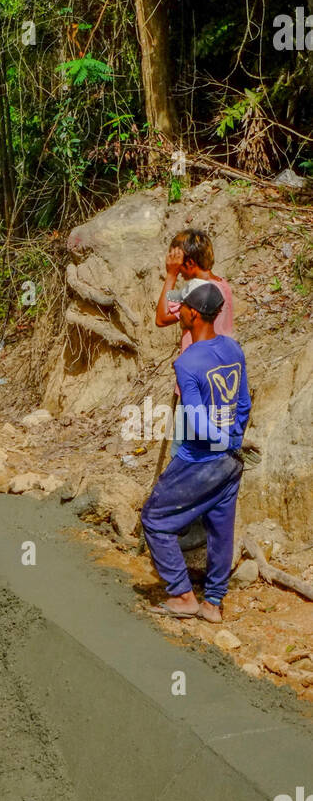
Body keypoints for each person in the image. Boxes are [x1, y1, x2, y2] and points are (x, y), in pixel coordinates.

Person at [141, 282, 251, 623]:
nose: (181, 312)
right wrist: (234, 441)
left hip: (200, 459)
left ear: (192, 313)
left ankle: (183, 594)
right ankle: (213, 603)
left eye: (183, 307)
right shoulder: (233, 349)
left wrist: (226, 442)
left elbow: (196, 421)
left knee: (155, 519)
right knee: (220, 530)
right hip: (229, 463)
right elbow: (244, 404)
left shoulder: (188, 362)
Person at [155, 228, 235, 459]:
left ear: (189, 263)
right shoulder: (222, 286)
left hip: (196, 383)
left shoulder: (194, 292)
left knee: (182, 454)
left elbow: (161, 318)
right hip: (220, 382)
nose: (178, 271)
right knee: (210, 453)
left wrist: (169, 276)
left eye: (178, 264)